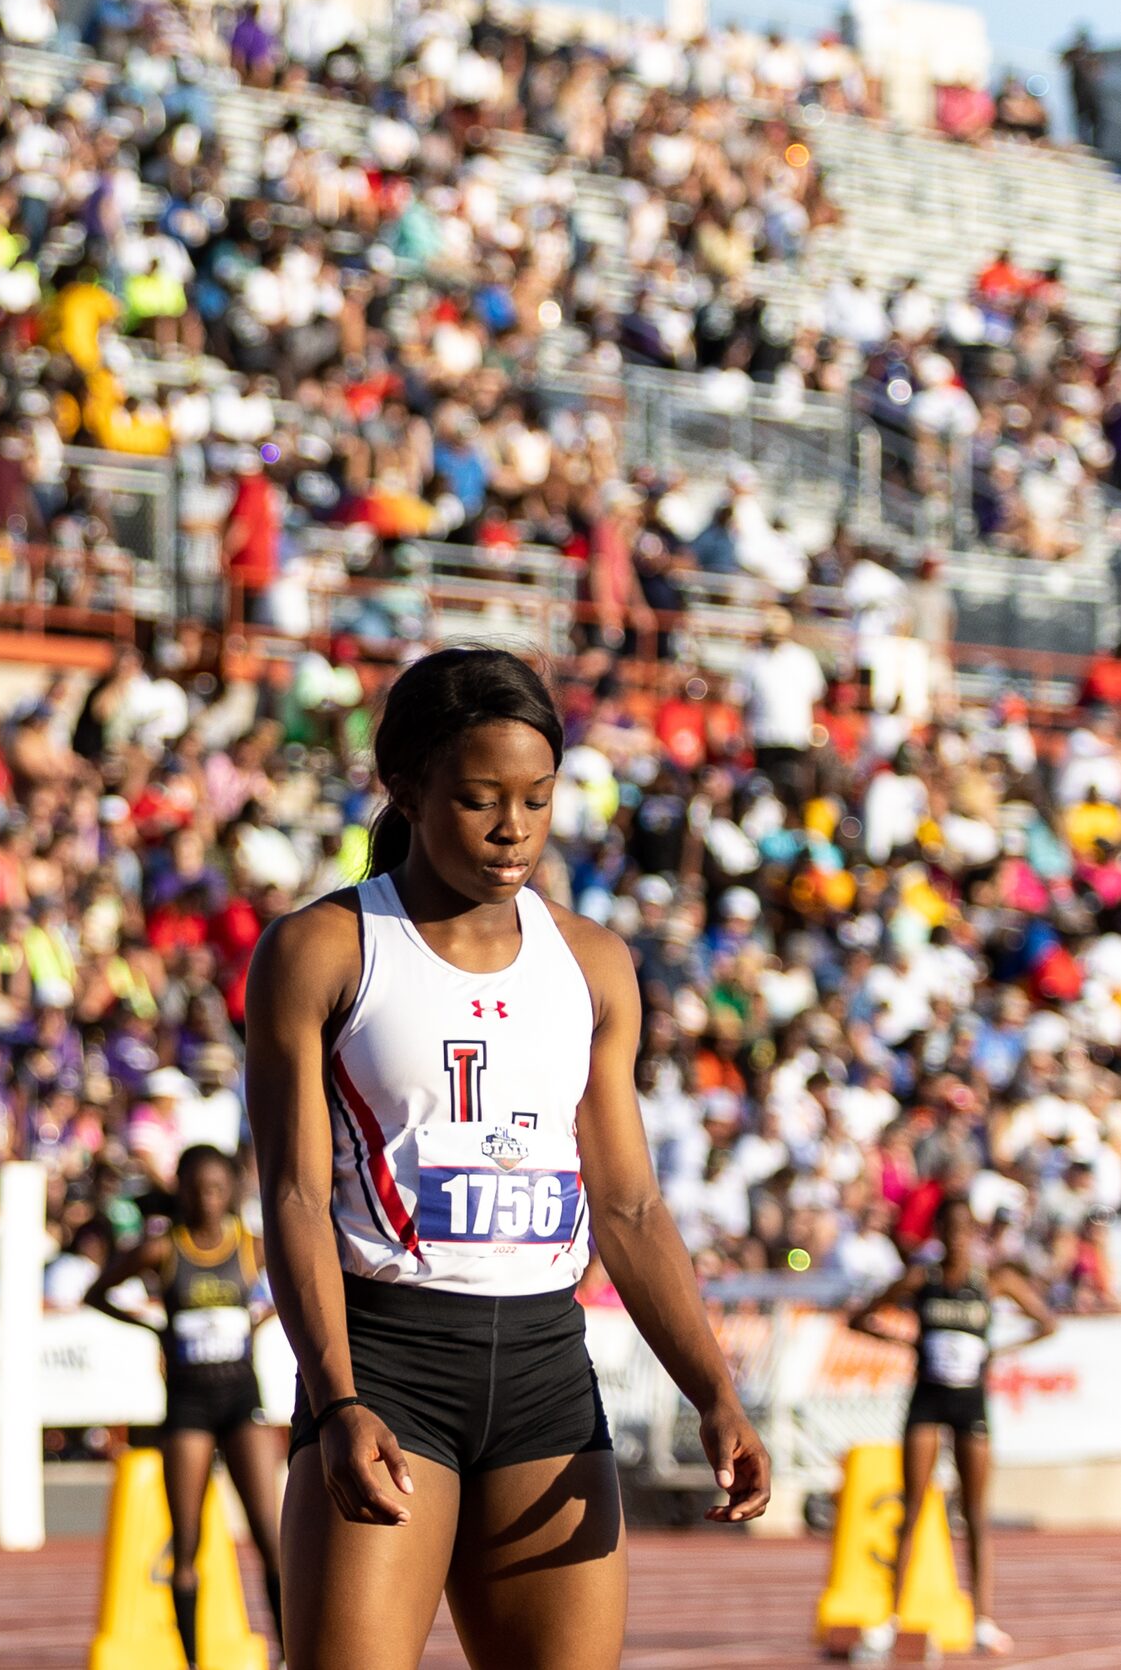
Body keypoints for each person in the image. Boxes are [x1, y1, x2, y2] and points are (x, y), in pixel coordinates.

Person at [243, 647, 770, 1670]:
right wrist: (338, 1398)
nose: (512, 828)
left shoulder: (596, 963)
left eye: (536, 798)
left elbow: (627, 1209)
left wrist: (715, 1391)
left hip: (543, 1373)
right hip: (387, 1363)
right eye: (480, 798)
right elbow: (297, 1197)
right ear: (405, 787)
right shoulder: (324, 951)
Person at [84, 1143, 285, 1655]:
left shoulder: (251, 1247)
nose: (208, 1200)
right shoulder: (164, 1250)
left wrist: (261, 1320)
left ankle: (289, 1653)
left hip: (242, 1400)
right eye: (197, 1190)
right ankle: (191, 1658)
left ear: (232, 1193)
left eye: (217, 1189)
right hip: (188, 1407)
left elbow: (299, 1278)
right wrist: (153, 1329)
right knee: (187, 1540)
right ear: (182, 1193)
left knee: (269, 1535)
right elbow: (96, 1292)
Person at [846, 1194, 1058, 1661]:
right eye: (950, 1228)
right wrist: (903, 1340)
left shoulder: (993, 1281)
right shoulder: (923, 1278)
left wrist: (998, 1353)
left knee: (976, 1514)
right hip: (927, 1399)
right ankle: (889, 1619)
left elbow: (1047, 1322)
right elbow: (859, 1318)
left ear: (976, 1233)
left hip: (970, 1403)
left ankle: (983, 1619)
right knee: (914, 1506)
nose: (958, 1237)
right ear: (938, 1233)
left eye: (966, 1229)